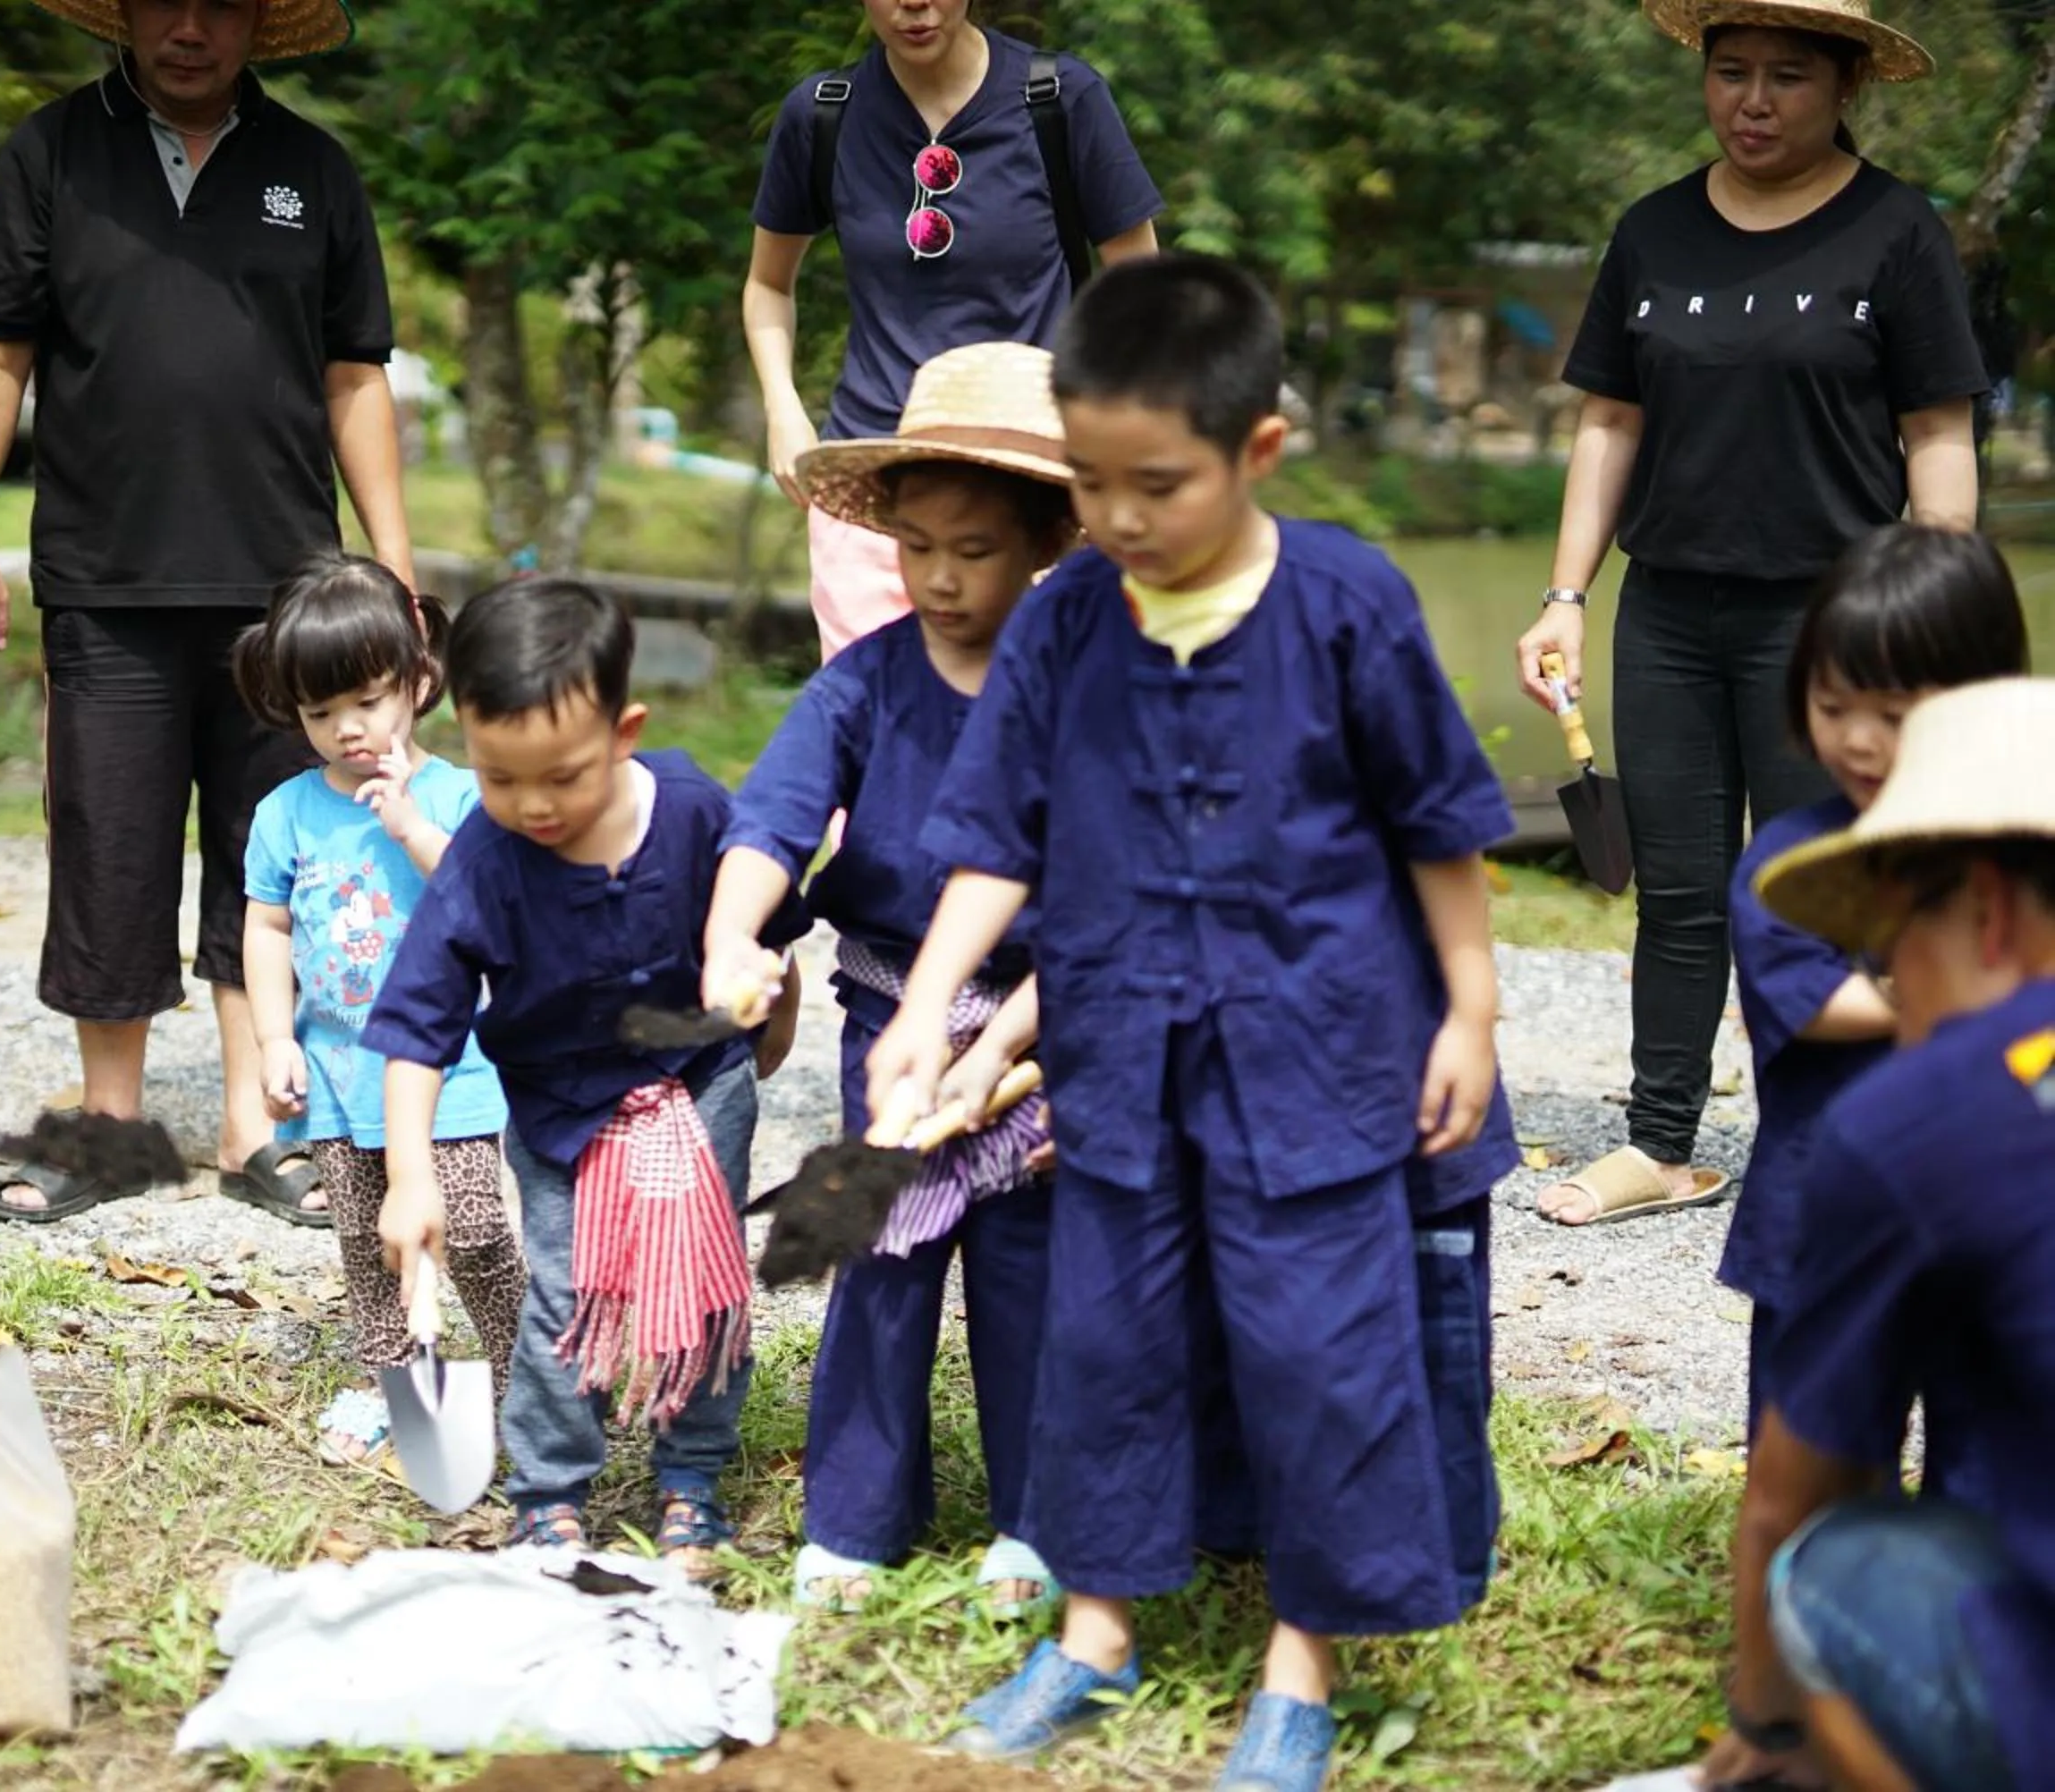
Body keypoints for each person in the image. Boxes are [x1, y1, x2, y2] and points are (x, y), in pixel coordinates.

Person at [867, 256, 1515, 1779]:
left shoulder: (1349, 602)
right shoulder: (1064, 617)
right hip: (1122, 1059)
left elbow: (1438, 826)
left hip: (1323, 1055)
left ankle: (1302, 1665)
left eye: (1158, 483)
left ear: (1258, 451)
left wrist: (1473, 1011)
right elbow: (999, 833)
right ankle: (1093, 1633)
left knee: (1321, 1348)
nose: (1119, 517)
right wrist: (921, 1013)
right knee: (1109, 1341)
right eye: (1088, 483)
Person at [0, 0, 410, 1229]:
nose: (189, 26)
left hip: (284, 588)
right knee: (110, 842)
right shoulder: (50, 155)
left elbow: (356, 371)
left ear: (261, 23)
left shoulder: (313, 168)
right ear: (127, 14)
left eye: (220, 4)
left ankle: (262, 1125)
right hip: (107, 572)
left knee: (278, 851)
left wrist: (394, 570)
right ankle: (111, 1129)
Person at [1516, 0, 1986, 1228]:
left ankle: (1828, 1146)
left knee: (1820, 889)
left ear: (1845, 88)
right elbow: (1608, 421)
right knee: (1678, 889)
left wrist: (1932, 625)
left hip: (1833, 629)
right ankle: (1662, 1144)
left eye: (1787, 75)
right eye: (1733, 73)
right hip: (1667, 610)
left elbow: (1937, 437)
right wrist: (1568, 595)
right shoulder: (1654, 230)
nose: (1755, 99)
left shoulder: (1898, 232)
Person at [702, 342, 1069, 1617]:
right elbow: (772, 821)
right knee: (882, 1258)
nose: (942, 576)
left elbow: (1100, 895)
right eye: (917, 547)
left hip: (1042, 1026)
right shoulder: (865, 680)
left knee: (1030, 1268)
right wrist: (733, 938)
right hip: (888, 1014)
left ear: (1045, 542)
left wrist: (1021, 1054)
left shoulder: (1083, 689)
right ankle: (856, 1518)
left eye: (973, 547)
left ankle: (1037, 1521)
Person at [362, 579, 809, 1578]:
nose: (531, 806)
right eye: (496, 776)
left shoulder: (693, 812)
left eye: (561, 776)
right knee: (568, 1295)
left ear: (624, 730)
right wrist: (410, 1176)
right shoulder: (485, 860)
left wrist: (768, 1034)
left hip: (701, 1085)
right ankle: (551, 1491)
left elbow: (771, 937)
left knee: (703, 1285)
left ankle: (692, 1476)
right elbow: (417, 1025)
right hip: (564, 1111)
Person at [1697, 677, 2055, 1792]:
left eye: (1898, 938)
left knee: (1834, 1564)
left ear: (1987, 905)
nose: (1898, 978)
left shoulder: (1920, 1114)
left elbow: (1785, 1496)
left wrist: (1766, 1729)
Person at [1724, 525, 2028, 1454]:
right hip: (1824, 1200)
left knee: (1987, 1442)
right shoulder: (1791, 865)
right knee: (1814, 1439)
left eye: (1895, 715)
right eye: (1832, 704)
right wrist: (1966, 997)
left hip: (1993, 1203)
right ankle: (1797, 1582)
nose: (1857, 740)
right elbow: (1809, 1002)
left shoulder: (2023, 852)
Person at [744, 0, 1163, 661]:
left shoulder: (1058, 98)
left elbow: (1141, 294)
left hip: (1036, 483)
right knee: (883, 733)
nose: (915, 4)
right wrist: (782, 409)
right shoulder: (824, 112)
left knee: (1036, 725)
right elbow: (768, 285)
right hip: (874, 486)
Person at [231, 554, 525, 1467]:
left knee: (472, 1227)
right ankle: (391, 1376)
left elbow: (488, 906)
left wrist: (411, 829)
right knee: (365, 1239)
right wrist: (274, 1038)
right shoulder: (287, 813)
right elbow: (269, 927)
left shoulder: (459, 797)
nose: (347, 730)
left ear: (418, 679)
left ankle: (524, 1372)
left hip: (455, 1071)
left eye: (365, 699)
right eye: (320, 713)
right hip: (338, 1068)